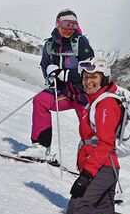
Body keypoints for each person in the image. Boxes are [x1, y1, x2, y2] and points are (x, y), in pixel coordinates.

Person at [18, 9, 95, 160]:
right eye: (66, 24)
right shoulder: (50, 45)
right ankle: (42, 148)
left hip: (83, 95)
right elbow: (45, 64)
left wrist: (67, 74)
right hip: (65, 93)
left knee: (88, 128)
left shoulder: (80, 42)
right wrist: (50, 76)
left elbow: (90, 69)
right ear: (58, 24)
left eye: (73, 25)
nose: (69, 29)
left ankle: (94, 162)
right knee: (41, 101)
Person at [66, 56, 122, 214]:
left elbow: (105, 143)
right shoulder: (93, 103)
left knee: (77, 209)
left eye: (93, 77)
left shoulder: (106, 104)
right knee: (104, 211)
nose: (88, 82)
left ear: (103, 78)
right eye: (85, 77)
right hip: (102, 166)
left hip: (103, 166)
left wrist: (86, 175)